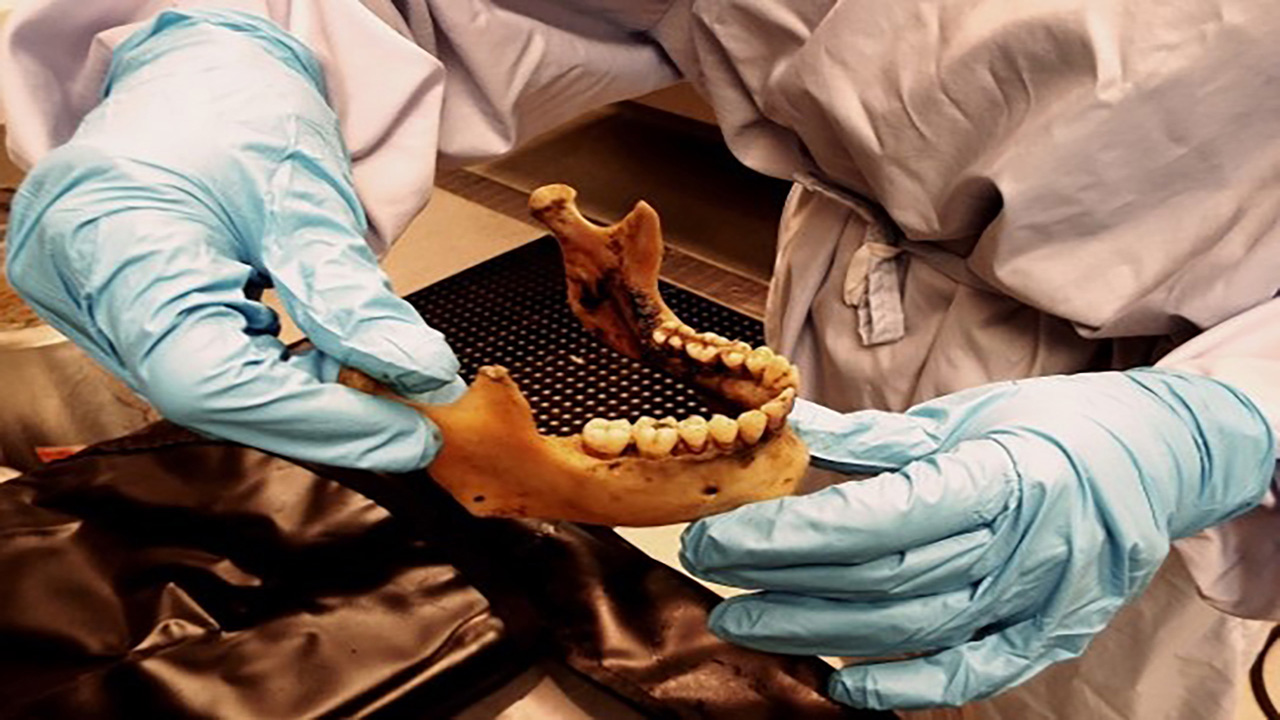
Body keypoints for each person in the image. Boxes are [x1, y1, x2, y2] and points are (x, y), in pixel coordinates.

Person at [3, 1, 1277, 717]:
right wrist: (229, 43)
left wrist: (1225, 421)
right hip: (862, 303)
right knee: (830, 628)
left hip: (1179, 439)